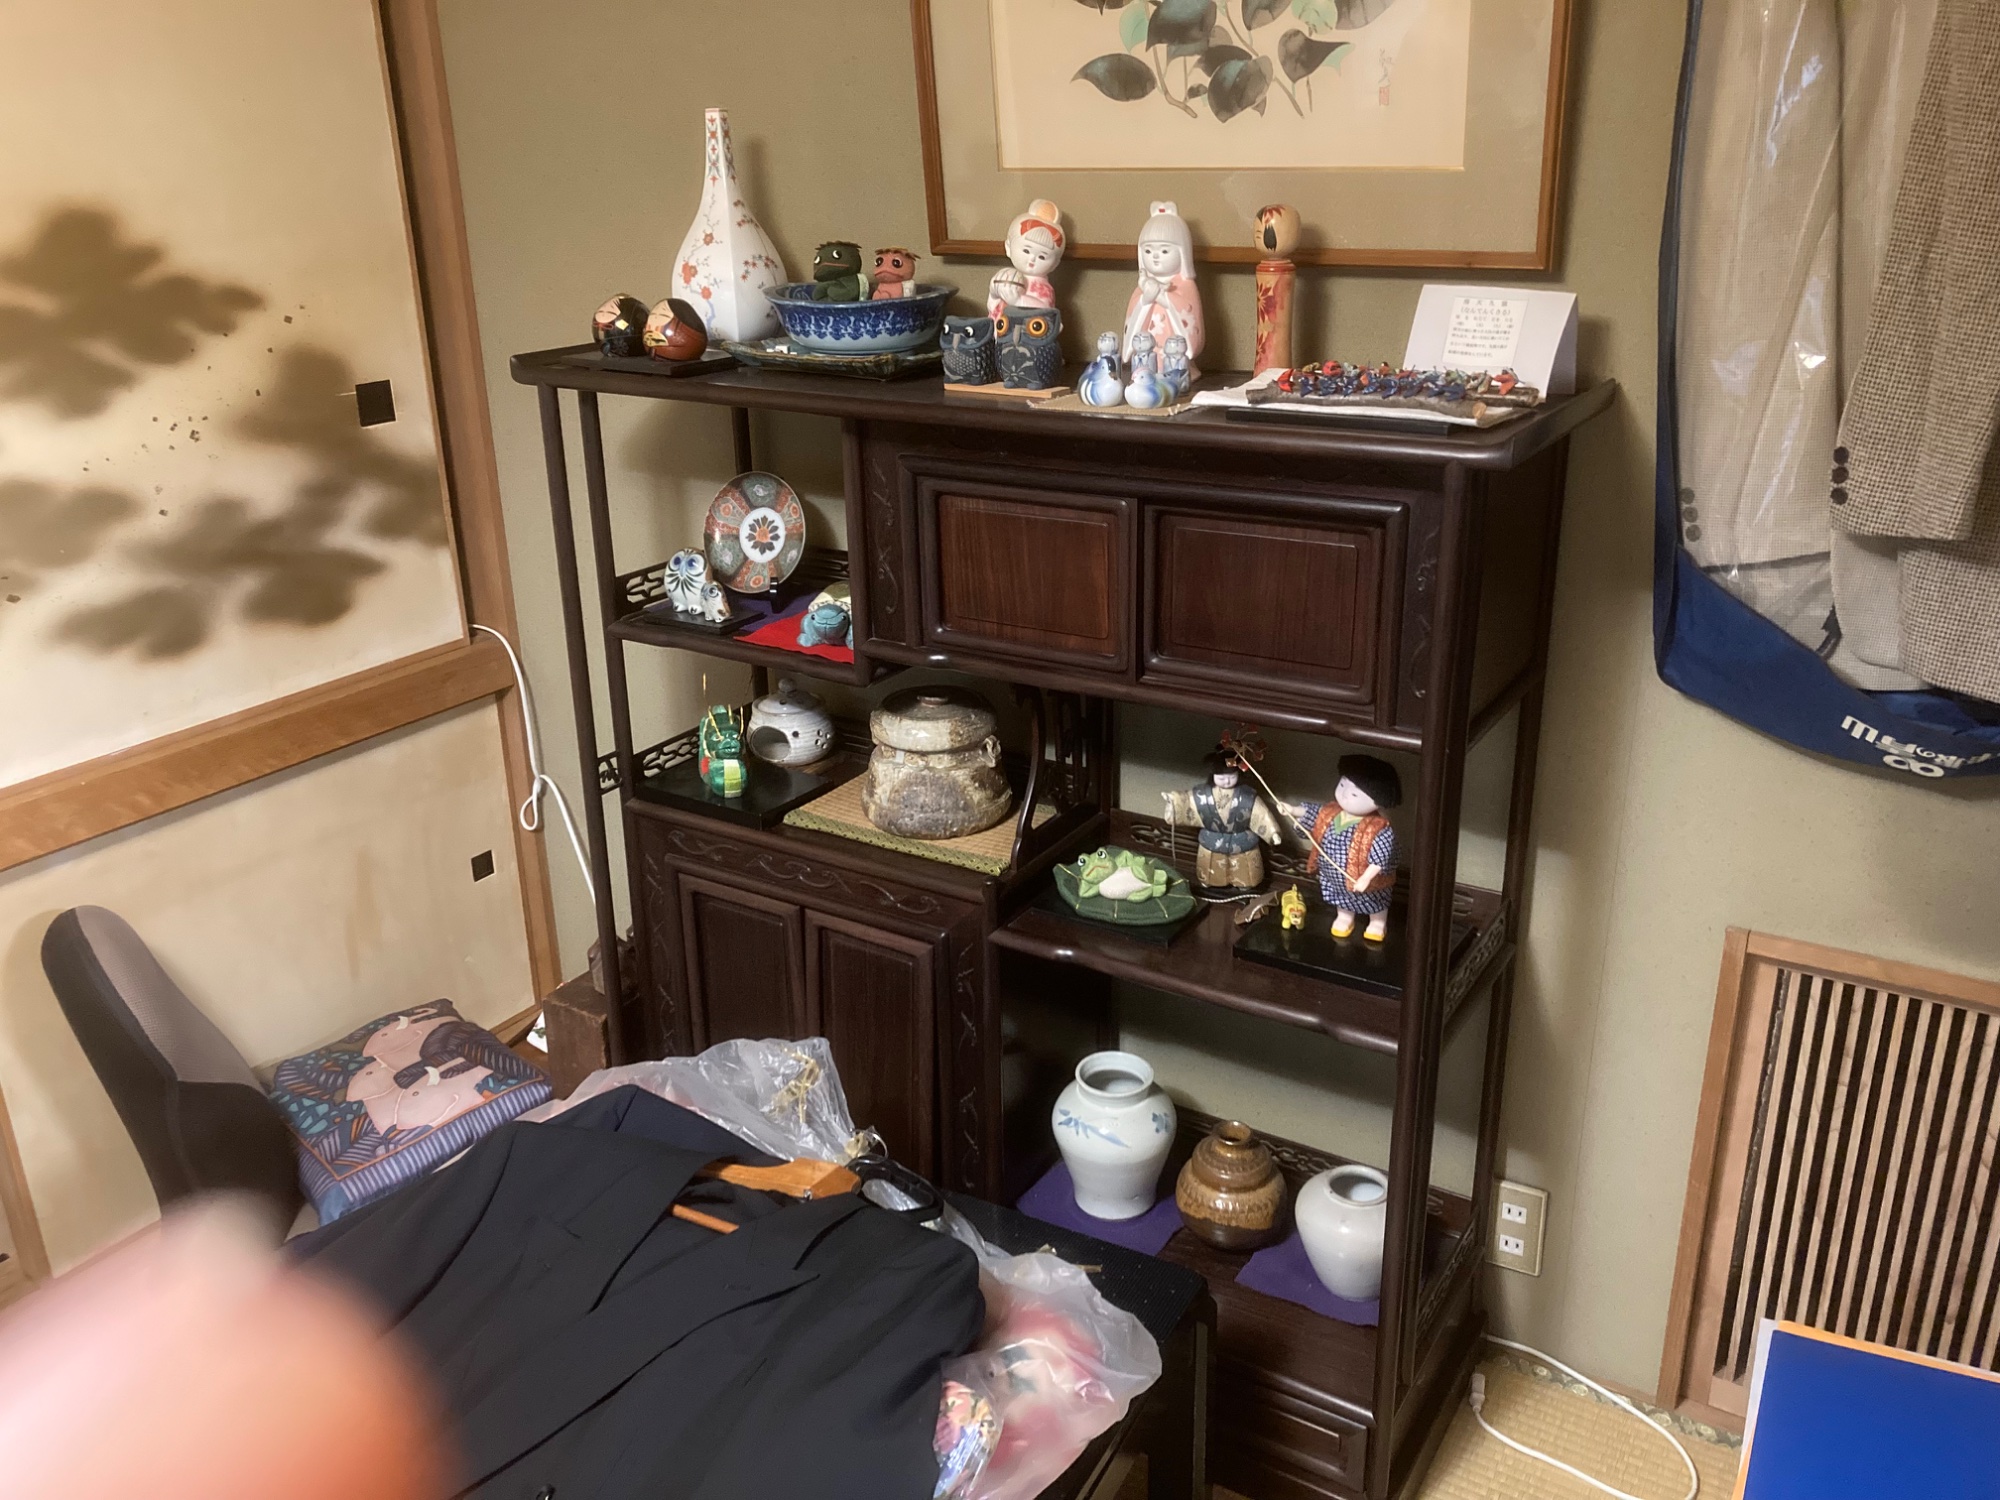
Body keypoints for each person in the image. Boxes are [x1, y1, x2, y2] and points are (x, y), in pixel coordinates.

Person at [1282, 754, 1402, 942]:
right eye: (1343, 785)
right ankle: (1345, 917)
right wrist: (1293, 810)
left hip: (1364, 878)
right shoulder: (1331, 811)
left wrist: (1366, 878)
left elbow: (1381, 857)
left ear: (1377, 801)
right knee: (1341, 896)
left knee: (1375, 899)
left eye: (1354, 794)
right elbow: (1313, 813)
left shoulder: (1378, 828)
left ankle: (1378, 922)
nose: (1345, 794)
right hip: (1334, 874)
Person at [1160, 747, 1285, 891]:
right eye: (1221, 778)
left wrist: (1272, 833)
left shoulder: (1247, 795)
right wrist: (1173, 800)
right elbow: (1187, 802)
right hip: (1213, 839)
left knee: (1244, 868)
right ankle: (1209, 882)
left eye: (1231, 777)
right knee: (1211, 867)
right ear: (1213, 775)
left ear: (1238, 774)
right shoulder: (1202, 795)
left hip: (1241, 840)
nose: (1227, 781)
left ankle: (1245, 885)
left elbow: (1261, 814)